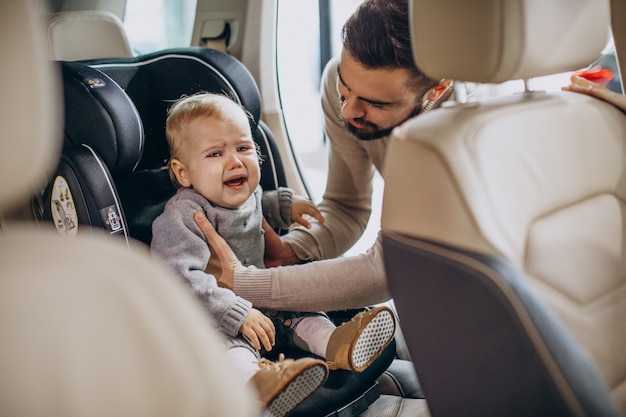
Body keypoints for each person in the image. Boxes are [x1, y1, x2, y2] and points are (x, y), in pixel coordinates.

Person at [193, 0, 451, 313]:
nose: (348, 111)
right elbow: (347, 206)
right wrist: (292, 250)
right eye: (344, 87)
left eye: (377, 104)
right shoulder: (343, 87)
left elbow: (389, 270)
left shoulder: (452, 136)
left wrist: (244, 283)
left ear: (436, 91)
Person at [151, 93, 397, 416]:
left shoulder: (240, 193)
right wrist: (235, 312)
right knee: (231, 353)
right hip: (220, 321)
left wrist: (284, 205)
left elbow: (256, 205)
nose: (235, 161)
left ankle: (339, 344)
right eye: (215, 153)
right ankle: (263, 384)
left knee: (307, 316)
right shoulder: (183, 216)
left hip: (268, 307)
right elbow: (178, 280)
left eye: (243, 148)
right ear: (184, 173)